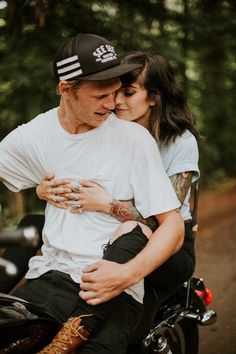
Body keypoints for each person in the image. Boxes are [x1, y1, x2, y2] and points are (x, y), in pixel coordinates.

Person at [0, 34, 183, 354]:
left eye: (115, 93)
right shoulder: (34, 136)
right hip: (48, 278)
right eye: (100, 95)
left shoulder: (133, 139)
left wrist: (129, 273)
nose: (112, 104)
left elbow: (173, 225)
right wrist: (40, 189)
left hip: (114, 291)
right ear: (65, 89)